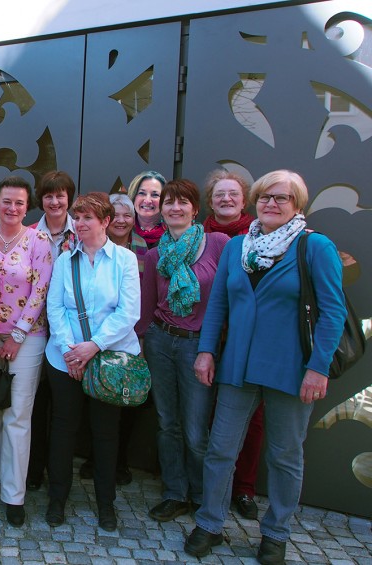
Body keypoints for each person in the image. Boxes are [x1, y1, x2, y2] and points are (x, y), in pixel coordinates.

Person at [184, 170, 346, 564]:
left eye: (282, 198)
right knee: (221, 450)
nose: (272, 204)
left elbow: (332, 312)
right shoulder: (239, 247)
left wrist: (318, 368)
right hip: (237, 366)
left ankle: (275, 532)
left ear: (297, 205)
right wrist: (206, 351)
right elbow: (219, 304)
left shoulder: (315, 247)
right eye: (265, 197)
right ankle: (209, 523)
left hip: (291, 370)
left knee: (285, 456)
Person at [44, 192, 141, 532]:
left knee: (105, 434)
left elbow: (128, 312)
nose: (80, 224)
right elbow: (55, 309)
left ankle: (106, 504)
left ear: (105, 221)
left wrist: (93, 347)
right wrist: (71, 350)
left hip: (110, 360)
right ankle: (57, 499)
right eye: (77, 217)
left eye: (88, 218)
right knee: (63, 430)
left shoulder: (125, 261)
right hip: (64, 359)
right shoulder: (63, 261)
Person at [136, 179, 229, 523]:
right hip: (161, 341)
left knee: (195, 429)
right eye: (169, 202)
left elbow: (226, 300)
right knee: (167, 423)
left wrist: (214, 348)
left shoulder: (218, 244)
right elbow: (147, 306)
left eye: (182, 202)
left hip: (198, 345)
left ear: (195, 208)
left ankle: (205, 497)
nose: (175, 207)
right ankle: (176, 492)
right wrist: (143, 343)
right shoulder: (156, 253)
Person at [0, 176, 53, 526]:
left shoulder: (39, 241)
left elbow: (40, 290)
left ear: (27, 206)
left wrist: (17, 336)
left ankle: (14, 494)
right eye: (6, 201)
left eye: (19, 202)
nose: (12, 208)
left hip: (28, 338)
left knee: (17, 415)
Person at [201, 168, 261, 520]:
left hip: (245, 341)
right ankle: (209, 488)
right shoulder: (197, 235)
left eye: (233, 194)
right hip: (206, 337)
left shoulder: (260, 235)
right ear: (210, 202)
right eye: (220, 194)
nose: (226, 199)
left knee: (252, 420)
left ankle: (245, 488)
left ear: (244, 199)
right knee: (206, 415)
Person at [26, 170, 78, 491]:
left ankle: (59, 474)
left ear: (69, 197)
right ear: (41, 199)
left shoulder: (82, 232)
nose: (55, 201)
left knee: (63, 410)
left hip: (70, 335)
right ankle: (33, 470)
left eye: (60, 195)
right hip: (35, 328)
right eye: (49, 195)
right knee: (35, 402)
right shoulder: (30, 233)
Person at [102, 192, 152, 487]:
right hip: (99, 338)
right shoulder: (90, 248)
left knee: (127, 399)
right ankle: (99, 459)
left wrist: (141, 338)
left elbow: (144, 299)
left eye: (127, 215)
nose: (121, 221)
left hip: (133, 336)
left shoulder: (143, 248)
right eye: (116, 215)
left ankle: (120, 461)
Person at [126, 170, 167, 248]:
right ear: (134, 196)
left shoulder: (172, 231)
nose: (147, 201)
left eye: (155, 195)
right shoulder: (122, 228)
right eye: (142, 193)